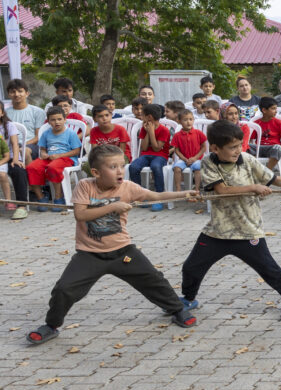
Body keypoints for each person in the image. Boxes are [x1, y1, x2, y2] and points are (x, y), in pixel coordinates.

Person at [25, 145, 198, 345]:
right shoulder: (85, 186)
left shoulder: (128, 187)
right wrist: (113, 206)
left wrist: (185, 193)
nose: (119, 171)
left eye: (122, 166)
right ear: (97, 172)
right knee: (64, 289)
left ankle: (176, 309)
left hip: (122, 252)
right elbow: (80, 214)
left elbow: (155, 196)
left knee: (153, 279)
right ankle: (51, 325)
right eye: (113, 166)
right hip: (89, 254)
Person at [178, 121, 281, 319]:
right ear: (214, 148)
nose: (238, 150)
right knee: (191, 267)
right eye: (232, 147)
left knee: (269, 269)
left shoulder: (247, 159)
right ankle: (188, 299)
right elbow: (222, 191)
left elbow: (273, 179)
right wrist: (253, 188)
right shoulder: (208, 163)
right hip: (218, 231)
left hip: (248, 231)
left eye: (239, 144)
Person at [27, 106, 82, 209]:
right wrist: (43, 153)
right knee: (31, 168)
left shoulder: (71, 134)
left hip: (66, 158)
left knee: (53, 168)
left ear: (65, 120)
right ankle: (41, 198)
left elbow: (76, 151)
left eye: (59, 119)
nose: (57, 122)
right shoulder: (46, 134)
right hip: (49, 158)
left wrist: (59, 155)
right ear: (48, 121)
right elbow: (43, 148)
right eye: (53, 120)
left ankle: (58, 197)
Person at [128, 103, 171, 207]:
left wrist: (151, 132)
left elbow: (157, 148)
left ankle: (158, 198)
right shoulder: (144, 128)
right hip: (146, 155)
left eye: (143, 115)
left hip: (161, 156)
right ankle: (140, 196)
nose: (141, 117)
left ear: (149, 117)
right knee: (133, 167)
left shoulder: (164, 130)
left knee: (155, 166)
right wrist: (147, 132)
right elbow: (144, 148)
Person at [5, 79, 46, 158]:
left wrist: (23, 145)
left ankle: (28, 170)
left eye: (20, 91)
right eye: (13, 92)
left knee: (24, 151)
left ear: (27, 93)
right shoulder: (4, 113)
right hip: (9, 146)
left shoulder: (38, 112)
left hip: (31, 145)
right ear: (9, 94)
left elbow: (38, 137)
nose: (16, 94)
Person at [0, 105, 28, 219]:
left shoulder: (8, 125)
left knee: (19, 171)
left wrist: (16, 159)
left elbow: (15, 144)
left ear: (2, 113)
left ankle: (22, 206)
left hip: (11, 156)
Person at [170, 109, 207, 192]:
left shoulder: (198, 133)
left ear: (193, 120)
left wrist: (195, 158)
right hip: (183, 160)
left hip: (196, 159)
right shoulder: (177, 135)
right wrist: (184, 159)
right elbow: (176, 150)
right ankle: (178, 189)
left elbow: (204, 147)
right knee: (176, 168)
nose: (188, 122)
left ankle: (197, 189)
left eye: (190, 119)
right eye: (185, 120)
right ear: (179, 121)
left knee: (198, 168)